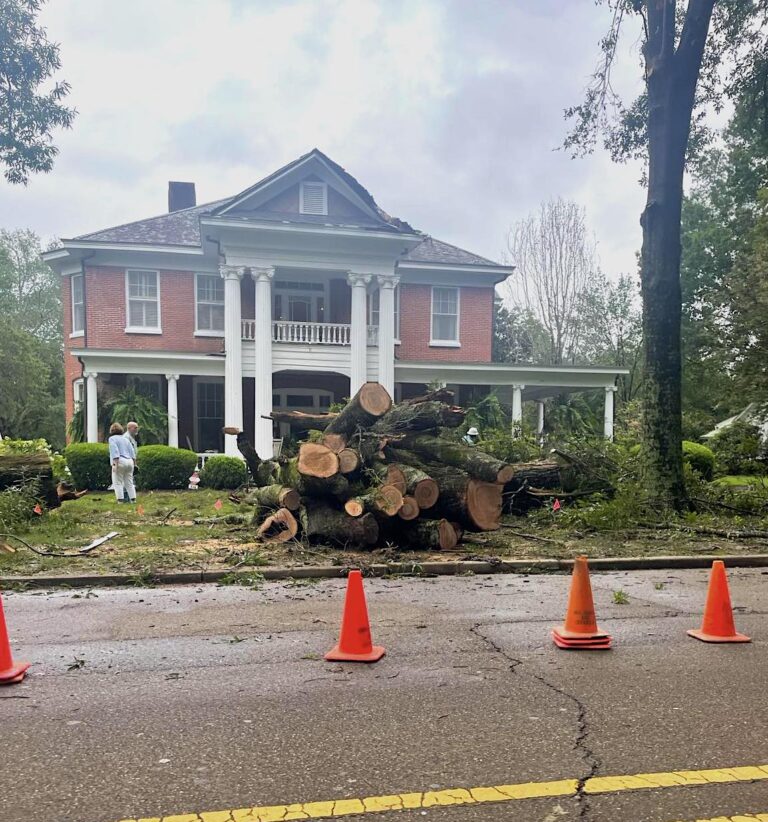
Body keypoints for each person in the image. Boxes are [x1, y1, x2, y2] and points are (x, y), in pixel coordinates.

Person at [108, 422, 136, 503]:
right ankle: (133, 499)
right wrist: (135, 463)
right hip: (130, 461)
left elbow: (115, 451)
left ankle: (120, 500)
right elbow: (132, 452)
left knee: (117, 482)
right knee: (129, 482)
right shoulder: (125, 439)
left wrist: (114, 464)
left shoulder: (112, 439)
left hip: (120, 461)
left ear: (111, 430)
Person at [122, 421, 139, 501]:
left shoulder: (131, 437)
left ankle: (129, 498)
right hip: (127, 462)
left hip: (130, 462)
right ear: (129, 428)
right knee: (127, 480)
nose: (136, 429)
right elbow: (128, 451)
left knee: (130, 480)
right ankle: (126, 498)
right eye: (135, 428)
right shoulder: (126, 438)